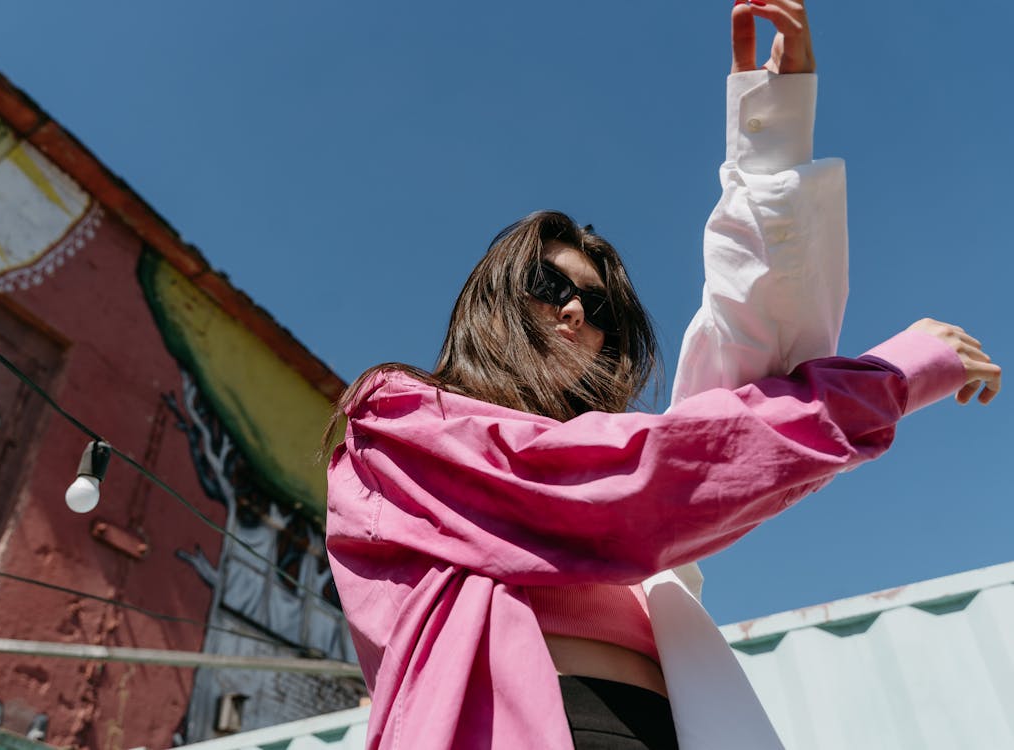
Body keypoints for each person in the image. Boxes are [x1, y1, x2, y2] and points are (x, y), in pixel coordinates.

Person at [323, 5, 1002, 750]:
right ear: (494, 300)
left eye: (601, 305)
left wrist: (769, 135)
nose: (577, 310)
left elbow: (743, 384)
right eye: (549, 286)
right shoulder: (394, 419)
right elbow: (635, 482)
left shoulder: (601, 451)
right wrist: (886, 380)